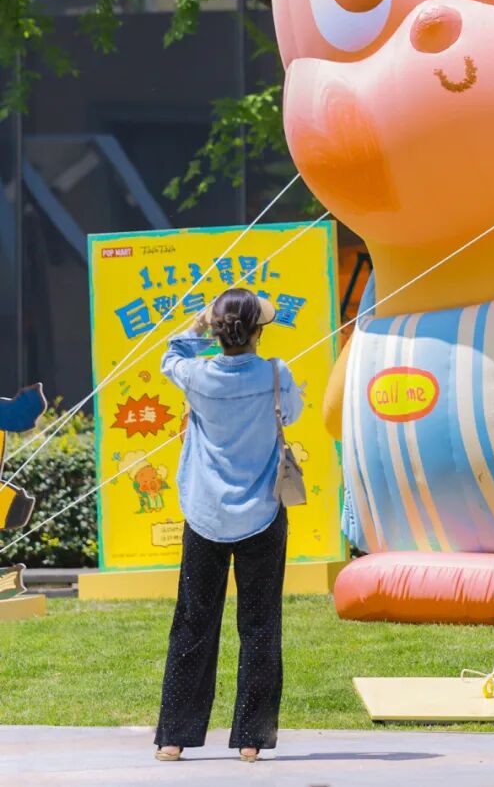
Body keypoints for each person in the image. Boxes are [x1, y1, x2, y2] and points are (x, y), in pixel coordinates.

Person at [153, 288, 305, 764]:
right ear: (258, 331)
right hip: (263, 512)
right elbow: (293, 413)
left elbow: (169, 357)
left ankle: (174, 738)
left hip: (205, 513)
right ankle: (251, 740)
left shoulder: (197, 376)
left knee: (193, 623)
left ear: (219, 332)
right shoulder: (276, 373)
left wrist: (198, 324)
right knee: (260, 625)